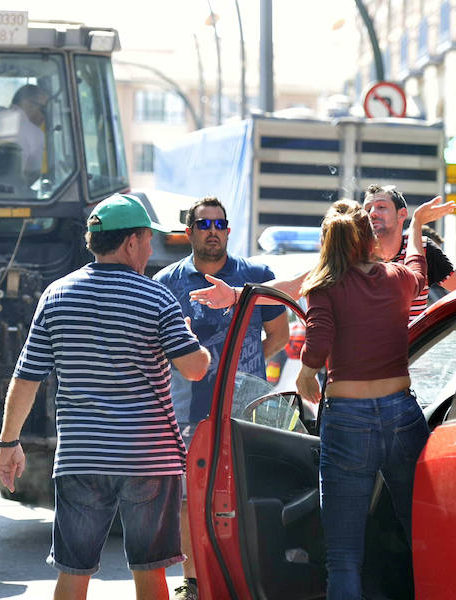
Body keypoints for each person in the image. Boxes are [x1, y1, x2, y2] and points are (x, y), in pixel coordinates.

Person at [0, 193, 211, 600]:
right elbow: (195, 368)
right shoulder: (155, 298)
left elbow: (26, 378)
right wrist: (190, 339)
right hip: (149, 457)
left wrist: (9, 443)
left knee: (74, 573)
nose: (150, 249)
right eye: (148, 240)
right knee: (150, 574)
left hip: (81, 457)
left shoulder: (56, 296)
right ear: (130, 242)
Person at [295, 197, 455, 600]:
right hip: (402, 412)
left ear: (327, 243)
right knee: (421, 532)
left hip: (347, 419)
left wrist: (306, 372)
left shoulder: (323, 286)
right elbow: (419, 266)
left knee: (345, 555)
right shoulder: (395, 278)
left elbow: (318, 340)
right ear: (368, 239)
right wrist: (416, 225)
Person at [153, 196, 288, 600]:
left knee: (247, 493)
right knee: (188, 498)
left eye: (220, 224)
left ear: (228, 231)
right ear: (190, 231)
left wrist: (236, 370)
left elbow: (279, 337)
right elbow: (158, 350)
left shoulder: (256, 275)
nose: (213, 231)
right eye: (204, 224)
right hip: (187, 410)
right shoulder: (166, 284)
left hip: (244, 409)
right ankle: (192, 582)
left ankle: (246, 575)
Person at [189, 186, 456, 321]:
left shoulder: (420, 251)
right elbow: (293, 287)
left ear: (402, 215)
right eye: (368, 208)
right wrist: (237, 295)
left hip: (411, 371)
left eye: (381, 207)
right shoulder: (351, 256)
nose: (373, 213)